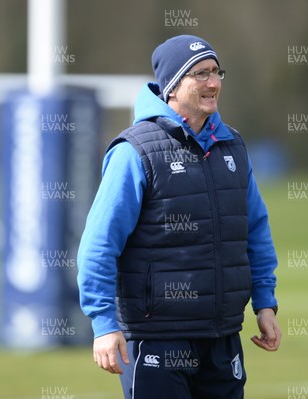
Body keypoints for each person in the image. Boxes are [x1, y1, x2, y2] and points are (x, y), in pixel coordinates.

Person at [77, 34, 281, 399]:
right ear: (173, 86)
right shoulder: (134, 152)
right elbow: (99, 243)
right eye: (200, 74)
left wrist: (265, 302)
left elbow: (253, 231)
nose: (214, 83)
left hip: (221, 339)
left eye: (216, 72)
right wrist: (104, 324)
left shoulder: (233, 146)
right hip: (158, 339)